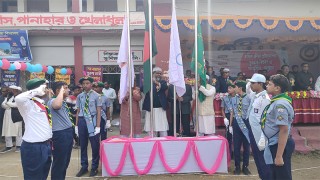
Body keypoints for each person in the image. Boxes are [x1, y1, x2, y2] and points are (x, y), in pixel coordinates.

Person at [15, 78, 52, 180]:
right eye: (44, 87)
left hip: (46, 145)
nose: (47, 89)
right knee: (33, 177)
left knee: (42, 175)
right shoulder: (27, 104)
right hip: (33, 147)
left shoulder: (41, 102)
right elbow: (18, 98)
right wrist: (37, 91)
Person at [262, 74, 295, 180]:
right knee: (275, 175)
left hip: (279, 144)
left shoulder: (280, 104)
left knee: (282, 176)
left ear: (277, 88)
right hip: (274, 142)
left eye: (270, 84)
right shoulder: (276, 102)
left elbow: (284, 130)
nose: (267, 85)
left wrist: (279, 155)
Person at [246, 74, 272, 180]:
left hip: (260, 134)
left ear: (260, 84)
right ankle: (262, 177)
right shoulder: (255, 95)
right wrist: (249, 81)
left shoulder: (264, 98)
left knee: (263, 159)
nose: (251, 85)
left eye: (253, 83)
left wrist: (263, 136)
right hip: (253, 131)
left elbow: (265, 120)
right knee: (257, 158)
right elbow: (248, 90)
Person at [75, 76, 102, 177]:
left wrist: (98, 126)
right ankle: (84, 166)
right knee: (83, 145)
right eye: (83, 84)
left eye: (87, 83)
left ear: (91, 84)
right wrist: (76, 125)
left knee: (95, 145)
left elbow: (99, 111)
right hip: (82, 121)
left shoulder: (97, 96)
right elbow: (78, 111)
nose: (85, 85)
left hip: (92, 121)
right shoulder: (79, 96)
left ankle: (94, 167)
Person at [48, 81, 74, 180]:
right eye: (66, 88)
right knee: (59, 163)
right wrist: (60, 92)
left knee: (65, 162)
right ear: (59, 90)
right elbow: (56, 106)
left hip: (67, 133)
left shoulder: (63, 102)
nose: (68, 90)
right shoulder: (53, 101)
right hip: (60, 134)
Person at [142, 67, 169, 137]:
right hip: (150, 109)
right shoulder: (148, 82)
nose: (159, 75)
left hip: (160, 109)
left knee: (163, 127)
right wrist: (147, 82)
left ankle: (163, 142)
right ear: (153, 74)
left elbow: (164, 87)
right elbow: (142, 89)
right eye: (157, 73)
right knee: (151, 128)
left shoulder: (163, 82)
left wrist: (155, 82)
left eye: (160, 73)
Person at [232, 80, 251, 175]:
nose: (234, 89)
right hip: (236, 123)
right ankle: (237, 166)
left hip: (246, 123)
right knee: (236, 146)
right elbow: (232, 111)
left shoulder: (249, 98)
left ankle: (245, 166)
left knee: (246, 146)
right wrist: (231, 125)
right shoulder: (233, 98)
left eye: (235, 87)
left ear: (240, 88)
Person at [0, 85, 23, 153]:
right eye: (12, 90)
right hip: (7, 117)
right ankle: (8, 146)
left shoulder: (20, 97)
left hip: (16, 116)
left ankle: (19, 146)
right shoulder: (9, 97)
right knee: (7, 130)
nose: (13, 91)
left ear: (18, 91)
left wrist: (8, 104)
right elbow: (3, 105)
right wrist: (9, 104)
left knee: (18, 132)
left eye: (15, 90)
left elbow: (16, 105)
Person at [221, 81, 236, 158]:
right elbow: (222, 109)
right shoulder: (225, 98)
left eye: (230, 88)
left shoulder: (237, 97)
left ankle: (236, 153)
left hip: (235, 117)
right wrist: (224, 118)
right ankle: (229, 153)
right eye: (228, 88)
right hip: (227, 116)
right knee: (228, 136)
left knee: (236, 136)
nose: (228, 89)